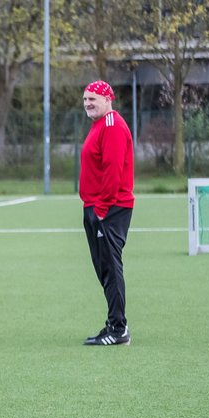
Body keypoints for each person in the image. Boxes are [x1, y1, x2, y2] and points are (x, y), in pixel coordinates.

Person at [79, 80, 135, 346]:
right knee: (104, 269)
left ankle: (119, 329)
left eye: (93, 98)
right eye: (85, 99)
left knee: (111, 269)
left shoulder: (111, 125)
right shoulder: (98, 125)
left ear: (108, 99)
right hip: (96, 207)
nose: (88, 103)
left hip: (109, 208)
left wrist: (101, 209)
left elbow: (113, 170)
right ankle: (114, 323)